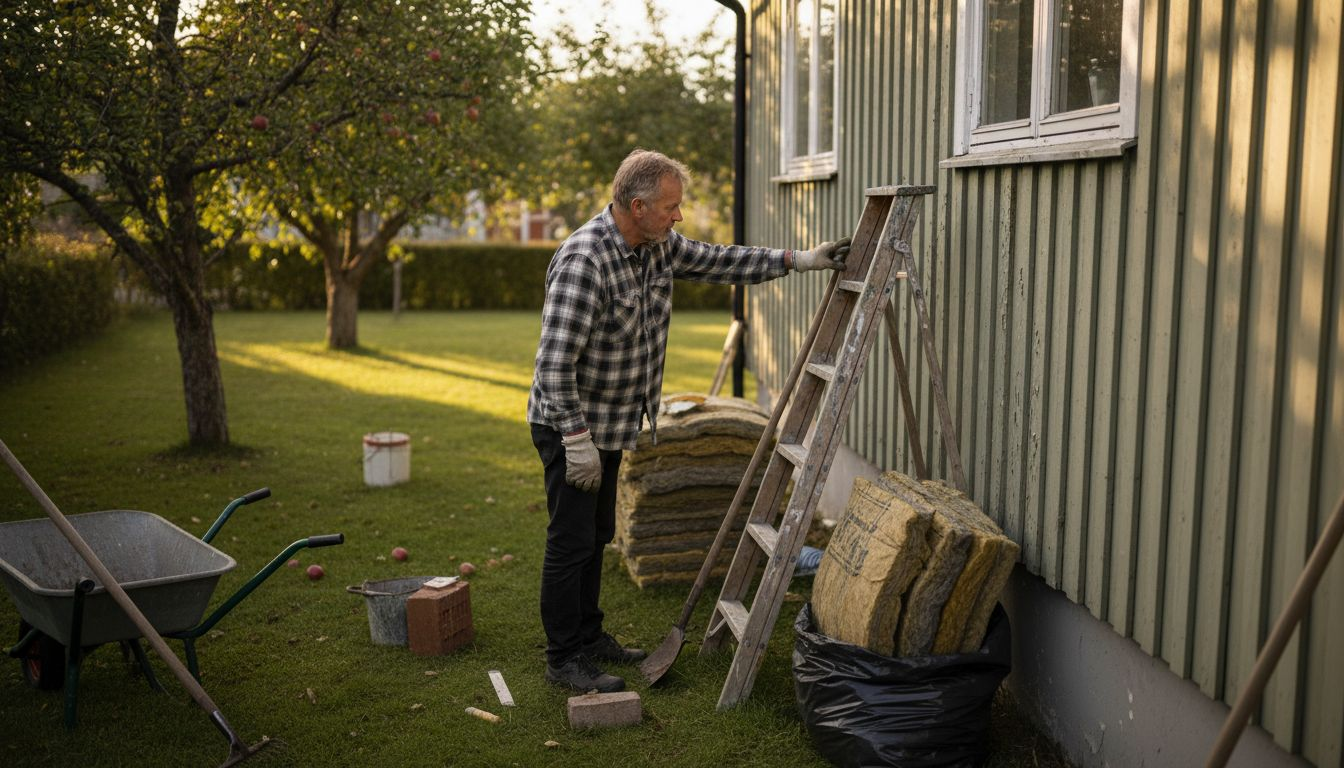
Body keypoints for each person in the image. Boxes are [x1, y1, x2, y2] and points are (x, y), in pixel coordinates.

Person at [526, 149, 850, 692]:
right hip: (571, 425)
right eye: (671, 207)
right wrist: (576, 440)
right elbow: (554, 366)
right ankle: (564, 660)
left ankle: (589, 636)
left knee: (597, 534)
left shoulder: (655, 247)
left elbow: (721, 260)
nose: (680, 218)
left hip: (609, 424)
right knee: (570, 540)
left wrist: (802, 260)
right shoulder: (586, 260)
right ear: (637, 206)